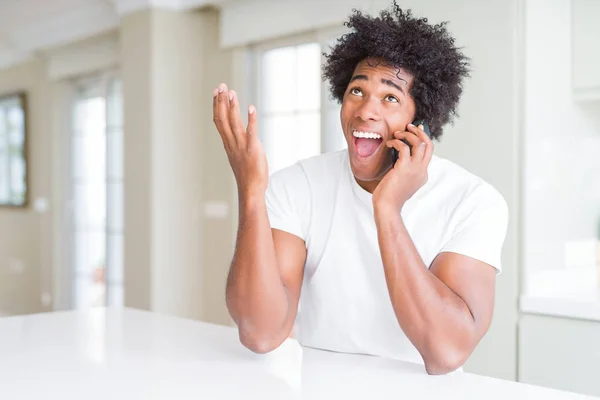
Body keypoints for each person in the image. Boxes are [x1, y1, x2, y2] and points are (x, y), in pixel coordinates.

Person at [211, 3, 508, 375]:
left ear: (421, 121)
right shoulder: (298, 186)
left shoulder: (473, 202)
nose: (366, 110)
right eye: (356, 90)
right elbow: (261, 333)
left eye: (390, 97)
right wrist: (251, 192)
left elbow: (446, 351)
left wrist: (386, 210)